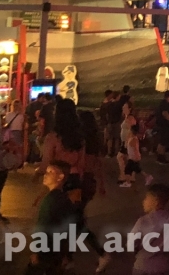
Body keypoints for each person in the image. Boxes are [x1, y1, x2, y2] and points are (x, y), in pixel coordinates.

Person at [27, 160, 76, 274]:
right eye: (46, 172)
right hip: (57, 251)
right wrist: (66, 253)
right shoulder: (65, 199)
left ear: (60, 177)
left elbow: (42, 226)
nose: (46, 175)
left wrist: (36, 251)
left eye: (50, 172)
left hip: (46, 251)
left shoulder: (50, 200)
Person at [77, 110, 111, 273]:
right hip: (90, 182)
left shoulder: (81, 141)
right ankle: (66, 257)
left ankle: (102, 253)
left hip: (81, 182)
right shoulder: (95, 141)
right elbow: (98, 165)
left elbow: (82, 165)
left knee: (76, 221)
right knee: (76, 217)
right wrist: (102, 184)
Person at [130, 183, 169, 275]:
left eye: (146, 198)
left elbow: (131, 243)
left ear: (155, 201)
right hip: (162, 266)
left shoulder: (143, 221)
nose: (143, 201)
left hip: (143, 266)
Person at [121, 124, 143, 188]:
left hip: (133, 158)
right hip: (132, 157)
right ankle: (147, 177)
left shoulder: (133, 139)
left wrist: (136, 157)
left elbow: (135, 149)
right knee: (136, 169)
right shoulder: (133, 138)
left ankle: (128, 183)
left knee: (127, 169)